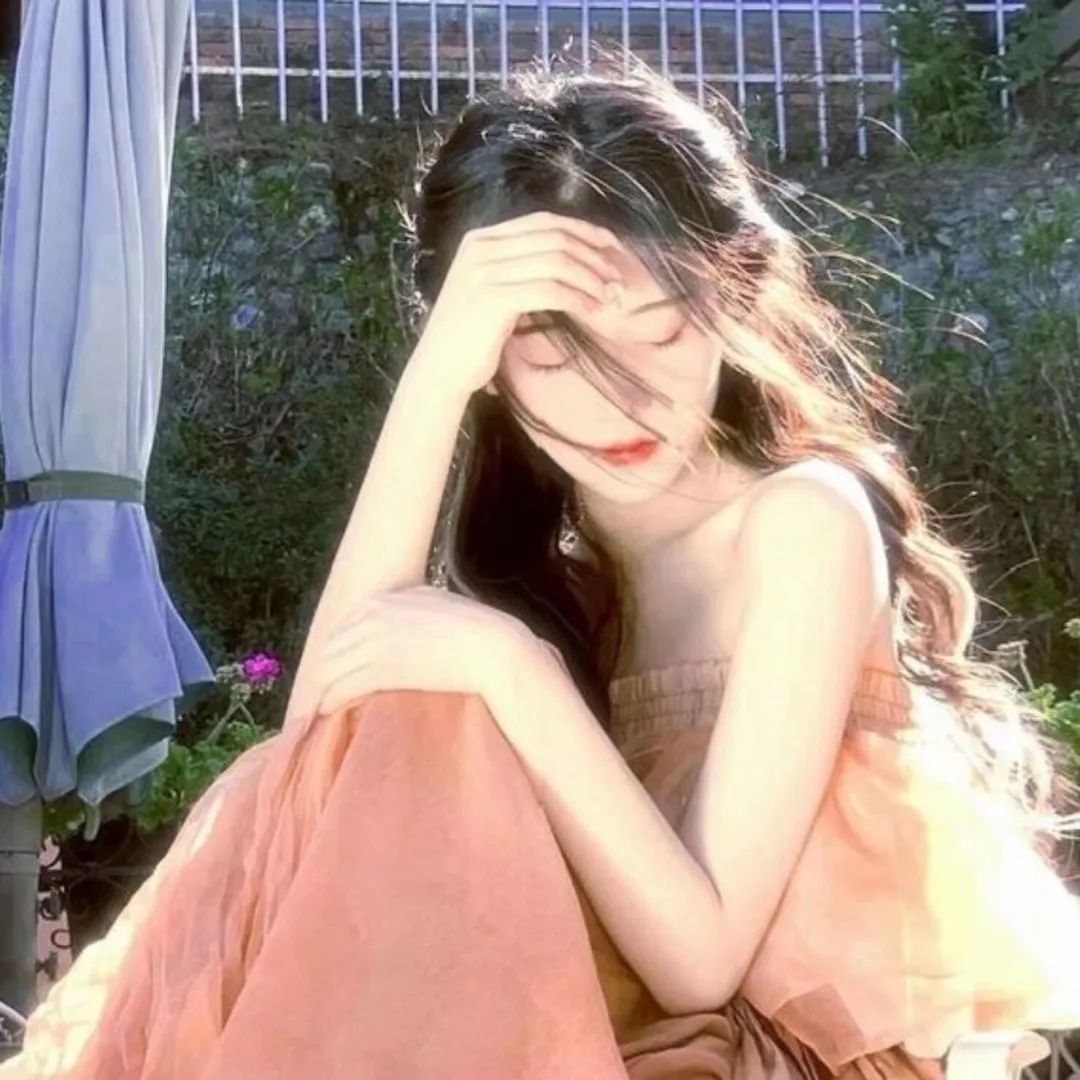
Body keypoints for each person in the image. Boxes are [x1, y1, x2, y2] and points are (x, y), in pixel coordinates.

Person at [4, 55, 1080, 1080]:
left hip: (766, 1048)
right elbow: (312, 764)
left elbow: (702, 962)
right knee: (407, 714)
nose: (622, 402)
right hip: (565, 1024)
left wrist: (515, 671)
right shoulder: (560, 571)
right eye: (553, 354)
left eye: (662, 331)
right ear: (489, 359)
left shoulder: (800, 522)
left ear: (737, 298)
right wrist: (436, 374)